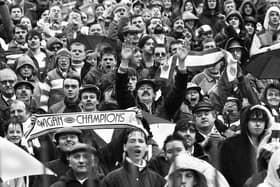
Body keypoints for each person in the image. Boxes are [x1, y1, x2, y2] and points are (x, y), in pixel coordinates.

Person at [219, 105, 274, 187]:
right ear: (246, 122)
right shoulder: (229, 145)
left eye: (261, 120)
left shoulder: (271, 145)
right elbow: (224, 175)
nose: (258, 124)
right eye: (253, 120)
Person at [102, 128, 166, 187]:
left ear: (146, 147)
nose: (137, 144)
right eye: (132, 141)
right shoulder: (111, 179)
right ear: (125, 147)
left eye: (141, 141)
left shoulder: (158, 180)